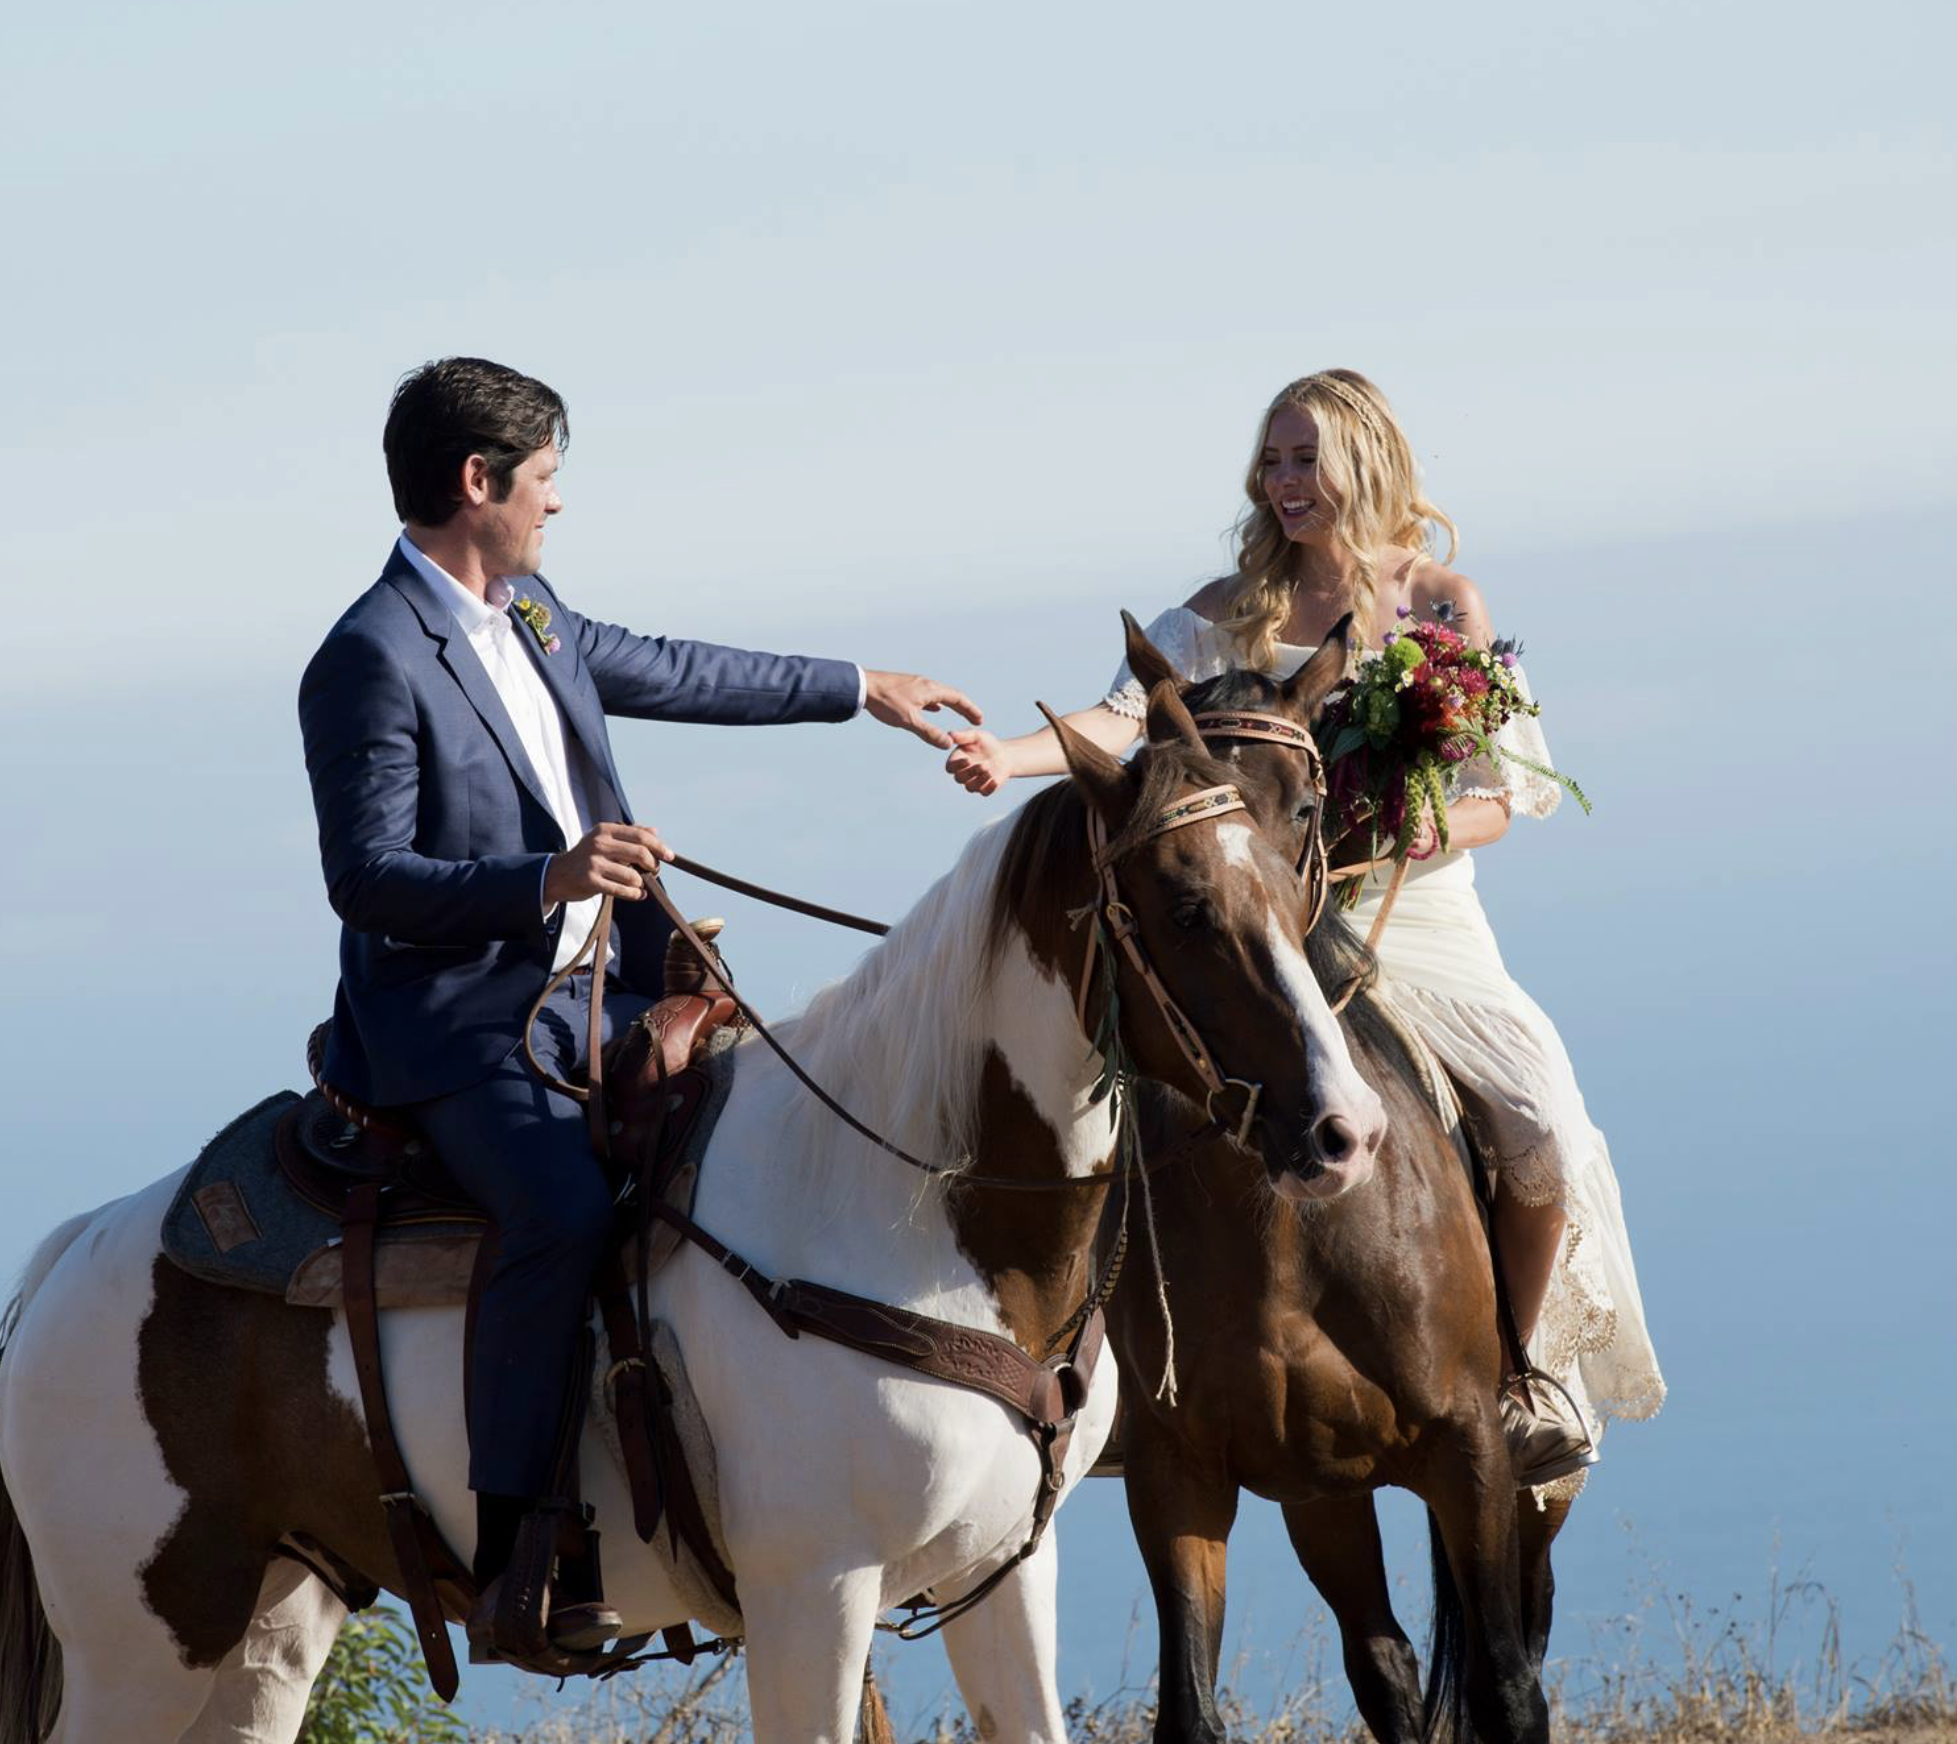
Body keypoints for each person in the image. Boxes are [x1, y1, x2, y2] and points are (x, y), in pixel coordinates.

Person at [299, 357, 982, 1661]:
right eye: (545, 481)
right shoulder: (368, 659)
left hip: (600, 983)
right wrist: (545, 878)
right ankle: (516, 1560)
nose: (558, 506)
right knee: (558, 1209)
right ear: (477, 482)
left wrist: (858, 687)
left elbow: (668, 665)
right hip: (456, 1022)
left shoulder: (531, 607)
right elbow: (367, 881)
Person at [940, 368, 1663, 1490]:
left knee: (1542, 1122)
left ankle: (1515, 1375)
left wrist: (1410, 835)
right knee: (1139, 1108)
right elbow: (1126, 716)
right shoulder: (1228, 607)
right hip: (1262, 913)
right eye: (1270, 461)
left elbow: (1504, 794)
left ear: (1363, 463)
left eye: (1302, 459)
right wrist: (1013, 755)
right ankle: (1118, 1379)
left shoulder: (1441, 605)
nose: (1281, 483)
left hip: (1411, 914)